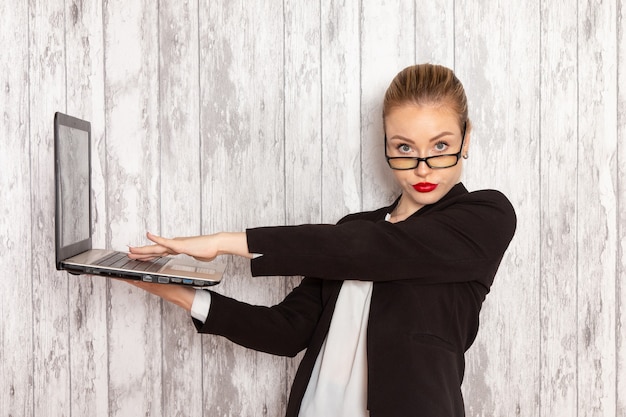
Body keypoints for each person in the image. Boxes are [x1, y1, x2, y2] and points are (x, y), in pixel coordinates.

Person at [126, 63, 517, 417]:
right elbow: (288, 330)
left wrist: (225, 242)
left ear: (467, 138)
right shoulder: (352, 229)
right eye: (404, 148)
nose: (422, 166)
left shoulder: (484, 220)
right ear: (385, 145)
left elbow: (372, 250)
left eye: (441, 146)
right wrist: (171, 288)